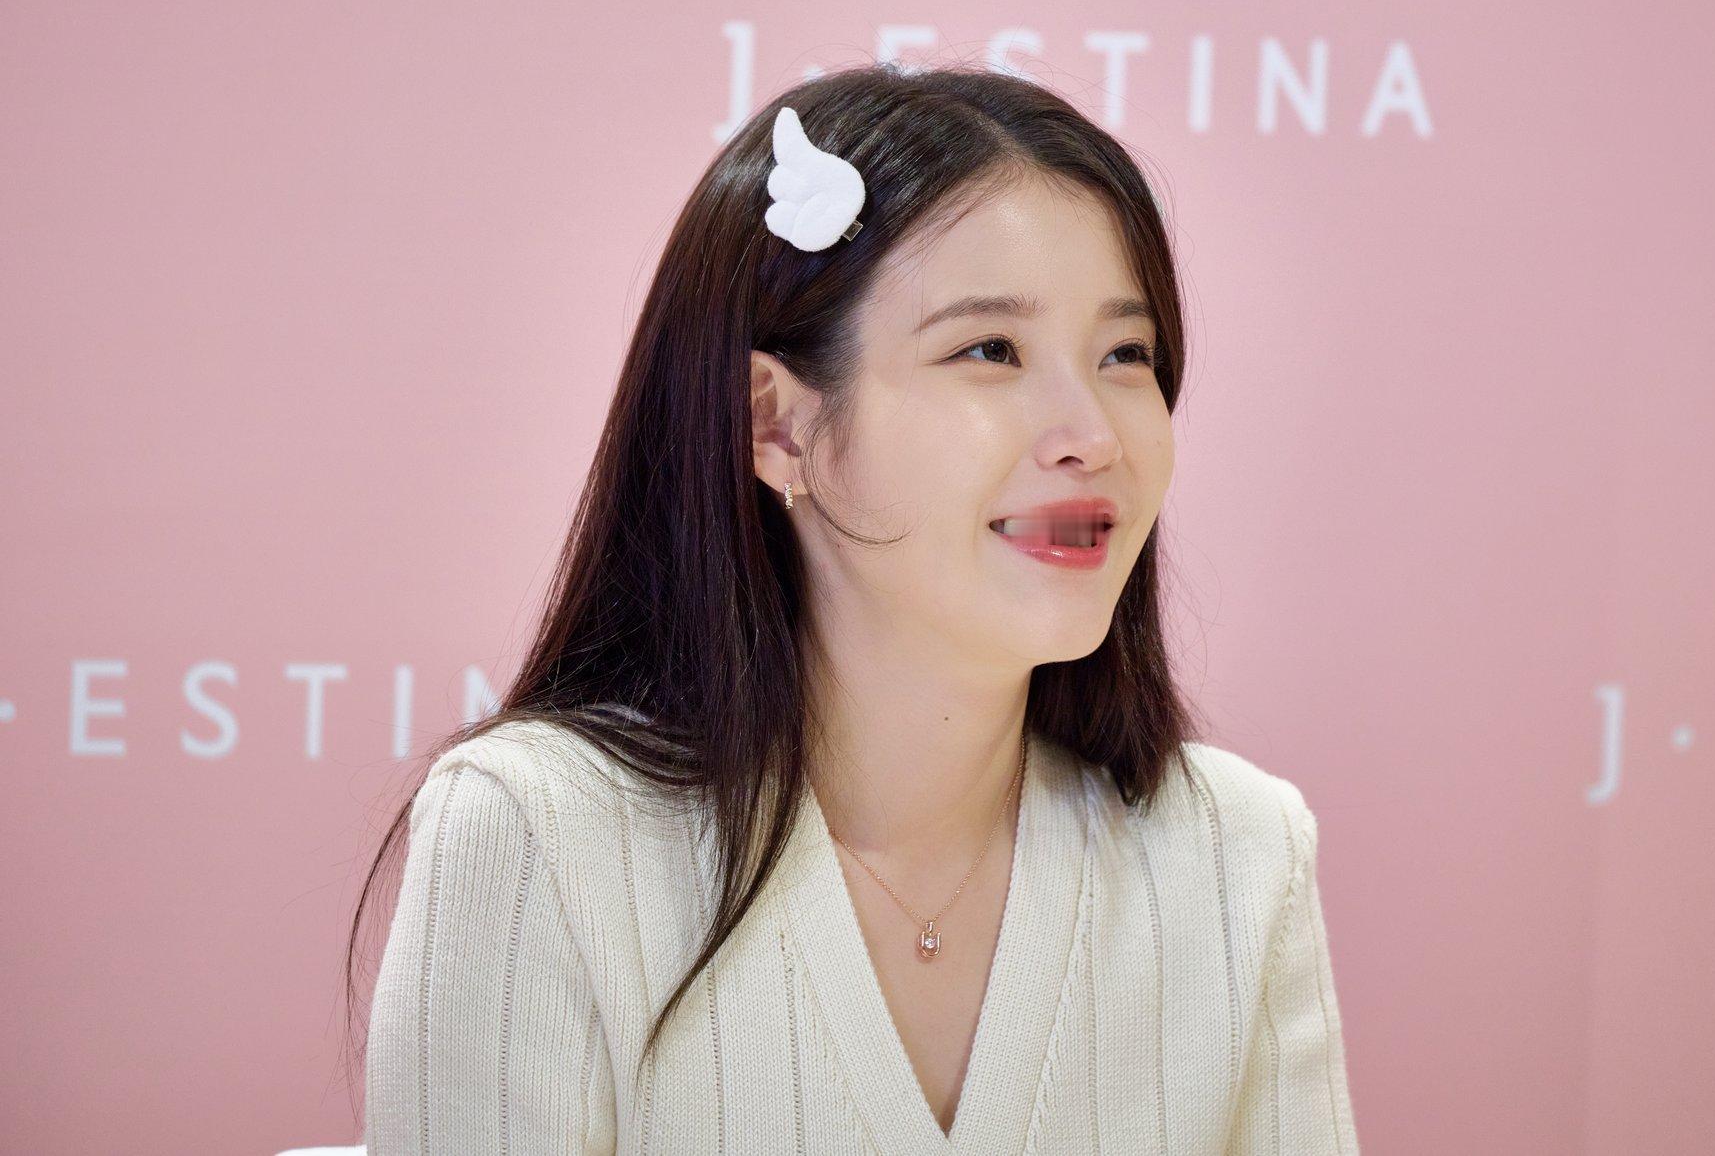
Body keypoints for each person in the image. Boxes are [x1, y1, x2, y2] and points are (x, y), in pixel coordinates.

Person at [347, 63, 1359, 1154]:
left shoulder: (1236, 856)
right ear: (777, 425)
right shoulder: (540, 835)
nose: (1093, 435)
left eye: (1126, 355)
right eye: (989, 350)